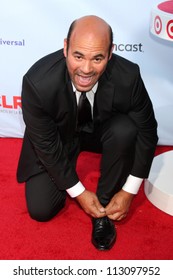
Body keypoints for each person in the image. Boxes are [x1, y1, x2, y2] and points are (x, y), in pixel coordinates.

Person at [17, 15, 158, 250]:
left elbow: (147, 130)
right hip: (59, 138)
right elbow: (46, 144)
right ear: (65, 48)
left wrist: (129, 191)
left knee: (126, 129)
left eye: (98, 58)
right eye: (78, 56)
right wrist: (79, 192)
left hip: (103, 132)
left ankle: (102, 210)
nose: (86, 69)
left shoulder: (128, 76)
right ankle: (71, 169)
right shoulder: (37, 83)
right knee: (41, 209)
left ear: (110, 54)